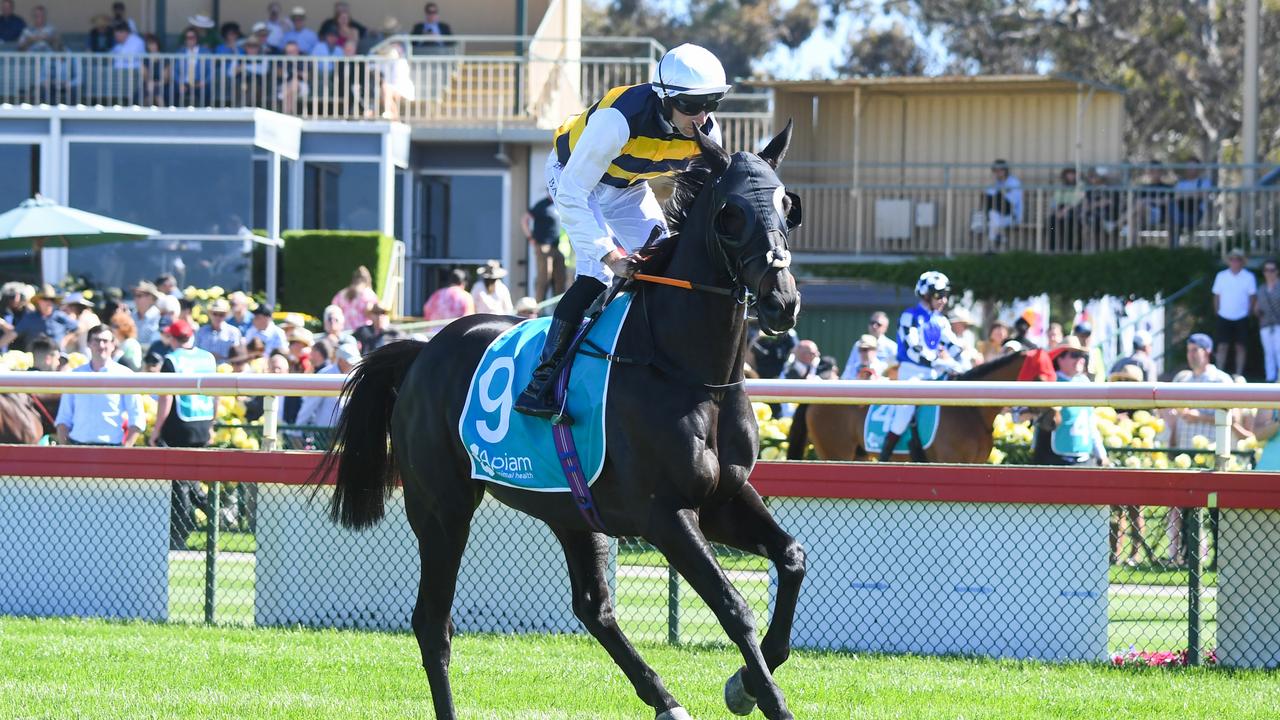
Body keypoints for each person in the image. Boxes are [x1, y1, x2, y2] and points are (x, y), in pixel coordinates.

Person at [515, 43, 732, 419]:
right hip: (573, 178)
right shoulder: (618, 119)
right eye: (692, 105)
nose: (702, 116)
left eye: (711, 102)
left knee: (668, 262)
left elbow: (704, 203)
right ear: (665, 97)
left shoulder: (707, 130)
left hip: (626, 187)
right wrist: (610, 254)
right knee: (597, 271)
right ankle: (540, 383)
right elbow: (572, 193)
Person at [881, 271, 968, 461]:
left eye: (946, 295)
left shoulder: (941, 320)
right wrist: (940, 362)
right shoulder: (909, 316)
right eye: (939, 295)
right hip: (911, 373)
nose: (944, 300)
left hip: (934, 374)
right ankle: (885, 454)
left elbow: (953, 347)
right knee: (906, 408)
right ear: (926, 295)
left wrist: (964, 364)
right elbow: (914, 349)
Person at [1164, 333, 1232, 566]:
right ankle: (1185, 556)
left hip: (1211, 455)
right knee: (1184, 508)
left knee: (1215, 511)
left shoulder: (1221, 381)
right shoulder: (1183, 381)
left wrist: (1198, 418)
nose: (1191, 355)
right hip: (1186, 454)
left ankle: (1218, 559)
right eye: (1189, 350)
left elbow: (1230, 417)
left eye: (1196, 350)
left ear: (1207, 351)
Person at [149, 320, 216, 550]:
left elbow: (166, 397)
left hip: (179, 426)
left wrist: (156, 429)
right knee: (191, 481)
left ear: (174, 338)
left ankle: (181, 532)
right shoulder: (208, 358)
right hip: (202, 423)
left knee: (181, 483)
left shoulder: (171, 360)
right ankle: (214, 514)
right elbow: (217, 394)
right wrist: (212, 424)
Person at [54, 325, 145, 447]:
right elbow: (63, 418)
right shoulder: (75, 375)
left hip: (112, 448)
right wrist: (66, 448)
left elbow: (137, 418)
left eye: (105, 341)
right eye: (96, 340)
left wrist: (125, 450)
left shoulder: (125, 375)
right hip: (77, 446)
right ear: (88, 344)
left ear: (113, 345)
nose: (101, 345)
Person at [1032, 338, 1109, 467]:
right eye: (1074, 355)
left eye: (1082, 355)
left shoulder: (1085, 382)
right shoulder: (1049, 382)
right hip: (1053, 460)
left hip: (1084, 460)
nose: (1081, 359)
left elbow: (1090, 422)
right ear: (1060, 358)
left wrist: (1101, 454)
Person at [295, 339, 360, 428]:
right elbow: (309, 405)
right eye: (351, 363)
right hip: (323, 433)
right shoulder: (325, 375)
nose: (354, 366)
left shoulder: (355, 376)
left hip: (346, 432)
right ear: (340, 360)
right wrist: (296, 432)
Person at [1212, 248, 1256, 377]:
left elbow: (1252, 296)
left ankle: (1239, 375)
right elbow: (1216, 295)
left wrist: (1248, 312)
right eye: (1232, 259)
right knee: (1222, 346)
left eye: (1238, 259)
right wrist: (1217, 310)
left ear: (1242, 262)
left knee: (1241, 347)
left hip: (1242, 316)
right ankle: (1219, 374)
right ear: (1229, 261)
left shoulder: (1249, 277)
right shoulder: (1221, 276)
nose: (1235, 262)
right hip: (1224, 315)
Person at [524, 195, 566, 301]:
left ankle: (559, 309)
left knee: (560, 279)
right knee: (544, 278)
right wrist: (530, 237)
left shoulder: (557, 204)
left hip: (556, 246)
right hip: (543, 246)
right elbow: (524, 220)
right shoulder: (541, 205)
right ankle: (538, 309)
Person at [14, 284, 77, 352]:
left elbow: (79, 328)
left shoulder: (60, 316)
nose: (49, 302)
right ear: (38, 301)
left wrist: (66, 339)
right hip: (36, 357)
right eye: (45, 299)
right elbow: (13, 333)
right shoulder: (29, 318)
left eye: (52, 299)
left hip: (57, 357)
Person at [981, 159, 1023, 248]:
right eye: (995, 170)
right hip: (997, 215)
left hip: (1011, 215)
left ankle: (992, 246)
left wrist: (999, 193)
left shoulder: (1014, 182)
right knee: (993, 214)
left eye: (1000, 170)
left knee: (994, 203)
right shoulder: (996, 183)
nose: (998, 172)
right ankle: (998, 241)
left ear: (1006, 170)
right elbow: (987, 198)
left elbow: (1011, 203)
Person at [1045, 167, 1083, 251]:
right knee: (1051, 223)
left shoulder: (1080, 185)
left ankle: (1071, 249)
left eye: (1073, 174)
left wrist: (1064, 210)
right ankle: (1052, 248)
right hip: (1060, 210)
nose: (1071, 176)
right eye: (1068, 174)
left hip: (1074, 210)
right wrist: (1056, 211)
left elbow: (1076, 200)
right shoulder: (1061, 185)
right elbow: (1056, 200)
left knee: (1070, 224)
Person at [331, 266, 379, 330]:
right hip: (363, 332)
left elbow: (333, 309)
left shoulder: (342, 293)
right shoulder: (369, 294)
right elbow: (371, 312)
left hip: (345, 331)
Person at [1256, 258, 1280, 382]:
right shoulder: (1261, 289)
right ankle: (1270, 378)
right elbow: (1257, 307)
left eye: (1272, 270)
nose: (1269, 273)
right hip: (1265, 325)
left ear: (1277, 271)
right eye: (1266, 270)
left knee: (1279, 351)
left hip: (1278, 324)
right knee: (1268, 353)